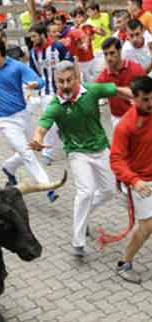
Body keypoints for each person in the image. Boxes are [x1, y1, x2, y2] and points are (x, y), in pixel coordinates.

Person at [29, 60, 133, 257]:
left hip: (101, 149)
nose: (66, 85)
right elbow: (42, 126)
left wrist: (138, 97)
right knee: (85, 192)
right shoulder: (55, 106)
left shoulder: (91, 91)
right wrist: (37, 140)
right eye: (61, 82)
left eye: (69, 80)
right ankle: (78, 243)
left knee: (110, 190)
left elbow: (117, 90)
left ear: (77, 78)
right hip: (77, 153)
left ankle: (82, 216)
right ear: (56, 82)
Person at [0, 37, 58, 202]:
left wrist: (34, 85)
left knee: (28, 150)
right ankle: (48, 187)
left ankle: (8, 168)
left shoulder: (17, 67)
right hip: (5, 121)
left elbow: (40, 81)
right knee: (27, 153)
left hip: (23, 115)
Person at [110, 76, 152, 284]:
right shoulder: (126, 125)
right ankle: (124, 263)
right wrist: (134, 181)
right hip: (142, 182)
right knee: (147, 225)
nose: (150, 104)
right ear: (134, 99)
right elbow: (116, 160)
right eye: (145, 100)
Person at [28, 22, 74, 165]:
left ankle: (69, 143)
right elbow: (34, 73)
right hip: (46, 93)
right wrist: (32, 88)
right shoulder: (33, 53)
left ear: (43, 35)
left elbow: (71, 64)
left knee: (66, 119)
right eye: (31, 37)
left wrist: (74, 85)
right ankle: (48, 153)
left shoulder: (58, 47)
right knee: (49, 122)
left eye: (34, 36)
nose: (32, 40)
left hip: (63, 90)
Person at [96, 37, 146, 128]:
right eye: (105, 54)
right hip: (117, 119)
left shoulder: (135, 69)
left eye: (112, 53)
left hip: (138, 116)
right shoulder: (103, 77)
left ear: (120, 51)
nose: (108, 58)